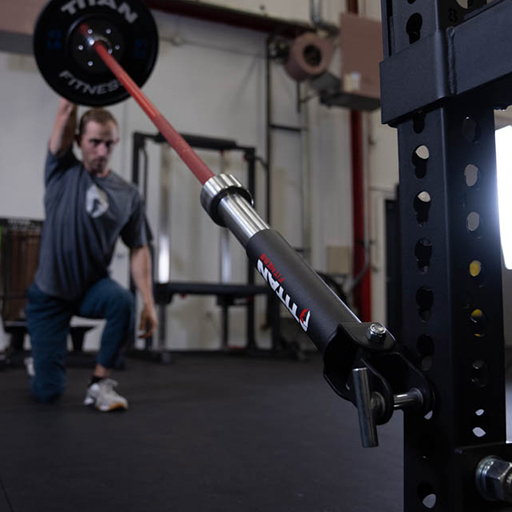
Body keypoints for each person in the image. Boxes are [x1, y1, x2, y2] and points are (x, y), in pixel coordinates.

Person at [26, 97, 158, 411]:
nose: (101, 151)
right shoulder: (61, 169)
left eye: (108, 144)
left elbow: (139, 247)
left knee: (123, 301)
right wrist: (76, 86)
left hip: (90, 288)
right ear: (78, 141)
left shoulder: (127, 194)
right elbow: (65, 114)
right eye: (94, 142)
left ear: (116, 143)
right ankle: (42, 361)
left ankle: (99, 383)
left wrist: (149, 302)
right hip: (49, 295)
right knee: (48, 393)